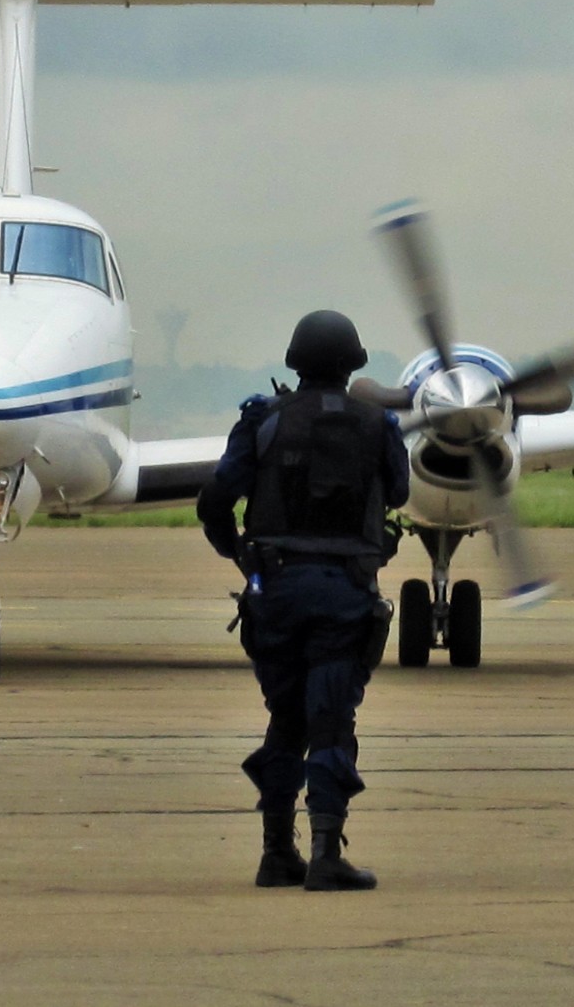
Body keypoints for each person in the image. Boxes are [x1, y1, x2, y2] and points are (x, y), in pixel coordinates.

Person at [196, 310, 409, 892]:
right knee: (332, 719)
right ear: (353, 366)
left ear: (294, 363)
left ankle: (276, 853)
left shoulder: (263, 420)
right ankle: (324, 854)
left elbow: (215, 498)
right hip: (344, 593)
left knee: (286, 717)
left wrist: (238, 554)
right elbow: (400, 490)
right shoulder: (378, 424)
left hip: (276, 593)